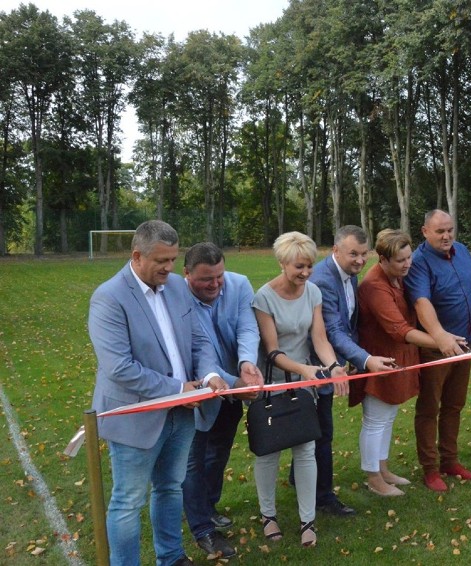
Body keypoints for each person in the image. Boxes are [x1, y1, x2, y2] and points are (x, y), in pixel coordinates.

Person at [89, 220, 227, 566]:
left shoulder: (178, 287)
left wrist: (209, 374)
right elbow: (119, 368)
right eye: (161, 261)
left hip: (181, 414)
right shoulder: (109, 297)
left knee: (170, 487)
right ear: (137, 256)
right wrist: (179, 389)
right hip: (135, 416)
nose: (169, 268)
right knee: (128, 501)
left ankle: (171, 556)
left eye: (172, 259)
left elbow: (198, 339)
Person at [251, 232, 348, 547]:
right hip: (273, 383)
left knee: (306, 449)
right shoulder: (263, 297)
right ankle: (268, 516)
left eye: (309, 266)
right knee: (270, 450)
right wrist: (304, 369)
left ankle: (308, 521)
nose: (306, 273)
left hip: (305, 383)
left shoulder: (313, 292)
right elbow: (272, 351)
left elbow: (319, 339)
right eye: (299, 267)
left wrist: (333, 367)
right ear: (282, 263)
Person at [351, 229, 459, 495]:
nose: (408, 264)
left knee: (387, 417)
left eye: (409, 257)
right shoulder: (374, 285)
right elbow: (399, 329)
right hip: (378, 360)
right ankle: (373, 477)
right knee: (375, 420)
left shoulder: (400, 278)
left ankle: (384, 468)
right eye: (400, 260)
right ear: (383, 259)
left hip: (398, 359)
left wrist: (443, 336)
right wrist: (441, 340)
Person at [305, 225, 396, 514]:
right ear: (335, 251)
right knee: (321, 433)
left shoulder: (348, 276)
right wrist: (365, 359)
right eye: (352, 254)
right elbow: (332, 329)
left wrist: (354, 360)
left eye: (363, 254)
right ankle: (323, 496)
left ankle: (303, 480)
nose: (359, 260)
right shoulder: (323, 280)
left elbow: (348, 324)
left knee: (317, 430)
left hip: (333, 363)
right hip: (311, 365)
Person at [181, 243, 264, 559]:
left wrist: (246, 363)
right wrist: (233, 384)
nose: (215, 285)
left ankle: (207, 505)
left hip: (236, 384)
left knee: (219, 451)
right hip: (199, 390)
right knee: (194, 458)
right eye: (206, 280)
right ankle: (201, 527)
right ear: (186, 274)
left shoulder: (240, 284)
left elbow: (247, 327)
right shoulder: (178, 295)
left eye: (219, 277)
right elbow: (199, 351)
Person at [406, 209, 471, 492]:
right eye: (440, 231)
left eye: (450, 229)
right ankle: (430, 468)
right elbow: (421, 302)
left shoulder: (462, 251)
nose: (447, 236)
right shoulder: (419, 262)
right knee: (429, 408)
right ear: (425, 231)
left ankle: (450, 460)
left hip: (465, 345)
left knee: (454, 405)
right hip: (436, 351)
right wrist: (440, 337)